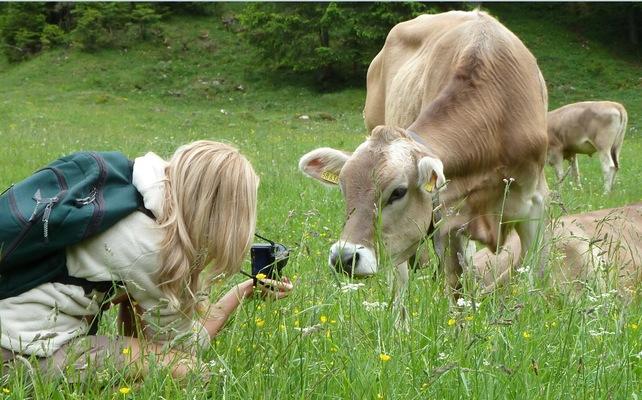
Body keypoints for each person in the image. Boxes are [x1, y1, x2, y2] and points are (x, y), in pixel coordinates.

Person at [0, 140, 293, 379]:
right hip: (23, 354)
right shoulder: (151, 246)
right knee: (193, 373)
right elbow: (186, 347)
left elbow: (142, 324)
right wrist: (238, 295)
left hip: (12, 334)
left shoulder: (127, 192)